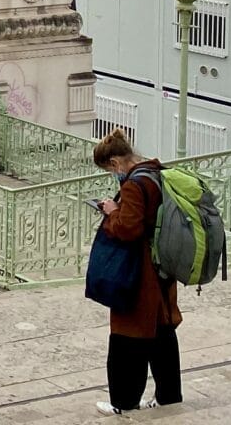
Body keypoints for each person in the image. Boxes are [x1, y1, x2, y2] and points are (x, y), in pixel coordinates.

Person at [93, 129, 183, 414]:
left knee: (126, 339)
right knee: (161, 334)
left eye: (110, 169)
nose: (112, 173)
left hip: (139, 274)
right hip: (162, 269)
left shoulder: (133, 185)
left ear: (117, 162)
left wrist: (111, 211)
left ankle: (123, 402)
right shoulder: (156, 173)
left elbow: (128, 229)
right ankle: (169, 395)